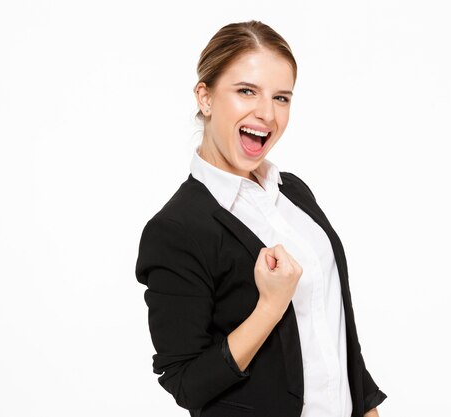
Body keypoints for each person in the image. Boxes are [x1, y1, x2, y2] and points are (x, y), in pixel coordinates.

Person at [135, 20, 387, 417]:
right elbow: (186, 382)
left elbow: (331, 328)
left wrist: (367, 408)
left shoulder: (294, 192)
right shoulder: (177, 229)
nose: (267, 114)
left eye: (282, 98)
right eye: (246, 91)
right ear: (206, 97)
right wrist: (270, 307)